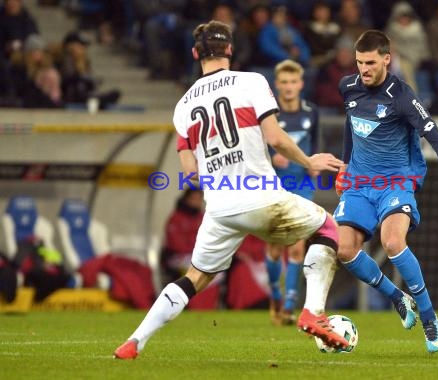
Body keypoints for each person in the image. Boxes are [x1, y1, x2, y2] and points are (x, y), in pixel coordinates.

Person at [114, 20, 347, 360]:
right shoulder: (251, 82)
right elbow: (275, 138)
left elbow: (190, 171)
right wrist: (309, 161)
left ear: (196, 54)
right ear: (230, 50)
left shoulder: (183, 107)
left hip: (220, 209)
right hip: (260, 195)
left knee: (195, 277)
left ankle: (134, 342)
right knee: (327, 227)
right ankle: (312, 311)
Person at [334, 30, 438, 353]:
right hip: (358, 182)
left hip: (395, 182)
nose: (363, 69)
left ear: (386, 59)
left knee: (393, 241)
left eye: (370, 63)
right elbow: (350, 124)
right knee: (343, 249)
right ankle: (398, 299)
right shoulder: (348, 87)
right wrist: (343, 166)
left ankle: (428, 317)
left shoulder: (403, 97)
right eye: (359, 63)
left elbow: (436, 137)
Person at [265, 59, 319, 326]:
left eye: (293, 82)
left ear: (300, 84)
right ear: (277, 85)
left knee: (298, 246)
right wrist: (271, 159)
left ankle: (288, 306)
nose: (288, 87)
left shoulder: (311, 112)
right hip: (273, 187)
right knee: (274, 248)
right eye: (283, 82)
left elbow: (315, 143)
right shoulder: (269, 116)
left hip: (302, 187)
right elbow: (257, 150)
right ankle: (275, 292)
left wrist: (314, 165)